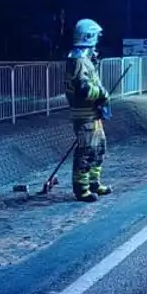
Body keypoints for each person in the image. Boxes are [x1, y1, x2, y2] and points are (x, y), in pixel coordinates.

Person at [64, 18, 111, 202]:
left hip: (92, 113)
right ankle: (81, 188)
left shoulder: (84, 59)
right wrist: (102, 94)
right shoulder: (78, 60)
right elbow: (82, 89)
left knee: (99, 148)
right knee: (86, 151)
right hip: (84, 114)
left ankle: (93, 182)